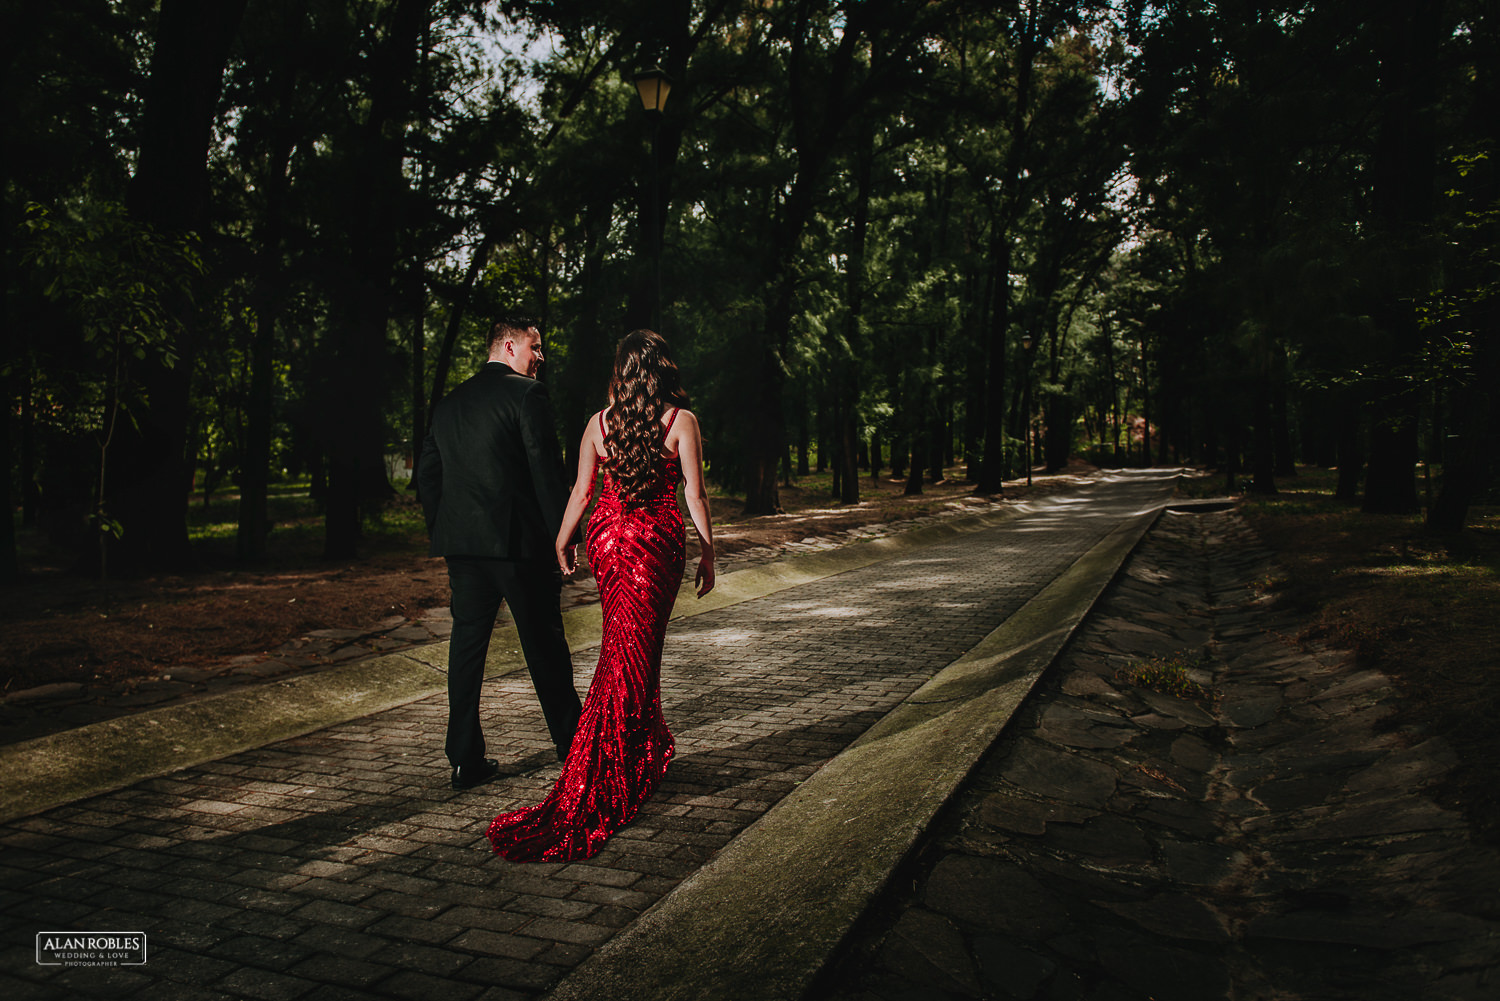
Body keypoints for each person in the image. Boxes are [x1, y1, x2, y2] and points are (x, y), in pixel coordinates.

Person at [486, 328, 715, 862]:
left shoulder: (598, 423)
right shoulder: (681, 421)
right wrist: (708, 552)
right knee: (637, 651)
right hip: (655, 542)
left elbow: (582, 491)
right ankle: (612, 764)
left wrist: (564, 540)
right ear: (662, 368)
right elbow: (694, 494)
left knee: (624, 647)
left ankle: (642, 745)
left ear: (623, 369)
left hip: (609, 540)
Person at [417, 317, 584, 790]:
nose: (541, 357)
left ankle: (465, 759)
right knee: (545, 646)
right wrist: (564, 536)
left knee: (466, 649)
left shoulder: (449, 404)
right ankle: (572, 748)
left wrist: (447, 530)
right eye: (536, 346)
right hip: (519, 547)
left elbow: (429, 476)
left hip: (464, 549)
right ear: (509, 346)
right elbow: (544, 471)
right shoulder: (527, 395)